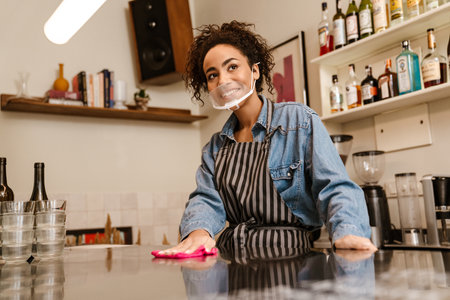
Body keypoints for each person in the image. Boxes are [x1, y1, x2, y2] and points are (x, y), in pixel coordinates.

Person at [161, 21, 376, 255]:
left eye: (232, 67)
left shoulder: (299, 121)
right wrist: (198, 233)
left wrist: (347, 231)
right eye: (213, 75)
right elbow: (205, 200)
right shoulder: (214, 148)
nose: (222, 80)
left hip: (293, 262)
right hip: (235, 263)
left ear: (255, 70)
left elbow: (334, 187)